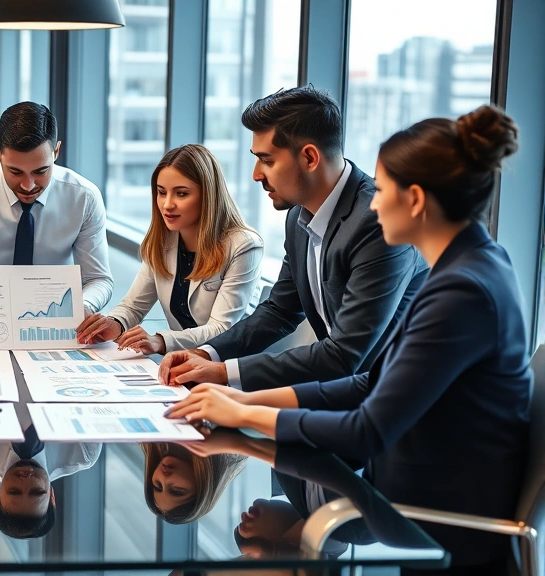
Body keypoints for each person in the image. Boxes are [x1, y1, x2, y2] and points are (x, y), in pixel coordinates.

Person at [165, 105, 529, 573]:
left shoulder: (463, 291)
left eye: (385, 190)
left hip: (432, 520)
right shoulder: (469, 268)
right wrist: (242, 403)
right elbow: (369, 383)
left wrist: (246, 413)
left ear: (415, 200)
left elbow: (368, 427)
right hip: (407, 488)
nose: (374, 203)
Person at [158, 86, 428, 392]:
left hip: (392, 401)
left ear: (310, 158)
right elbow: (280, 311)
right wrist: (206, 353)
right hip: (341, 394)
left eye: (267, 160)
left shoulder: (378, 222)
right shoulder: (298, 216)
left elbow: (344, 356)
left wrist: (223, 372)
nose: (256, 174)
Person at [0, 102, 114, 333]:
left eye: (41, 171)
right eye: (15, 172)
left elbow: (98, 279)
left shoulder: (84, 197)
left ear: (56, 152)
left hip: (55, 322)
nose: (28, 185)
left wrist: (81, 307)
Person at [76, 144, 263, 354]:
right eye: (161, 192)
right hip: (183, 360)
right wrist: (114, 323)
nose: (167, 204)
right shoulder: (164, 240)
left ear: (209, 195)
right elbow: (133, 307)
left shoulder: (244, 245)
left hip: (226, 363)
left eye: (181, 194)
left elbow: (222, 329)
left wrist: (160, 341)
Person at [0, 426, 101, 539]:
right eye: (37, 491)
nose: (26, 479)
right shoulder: (82, 451)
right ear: (52, 497)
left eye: (14, 490)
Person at [141, 442, 246, 524]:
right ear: (202, 488)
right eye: (176, 490)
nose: (164, 478)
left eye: (158, 485)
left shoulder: (151, 441)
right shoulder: (233, 444)